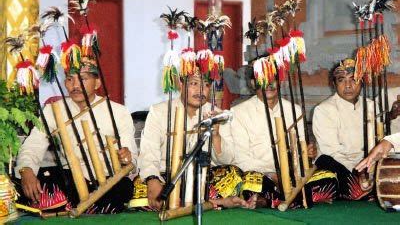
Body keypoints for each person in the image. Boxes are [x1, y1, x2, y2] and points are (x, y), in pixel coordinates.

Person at [15, 59, 137, 213]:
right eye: (70, 79)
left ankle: (71, 205)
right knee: (41, 180)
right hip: (69, 180)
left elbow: (131, 157)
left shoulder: (119, 111)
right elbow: (33, 146)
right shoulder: (53, 110)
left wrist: (126, 157)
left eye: (83, 79)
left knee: (123, 188)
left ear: (97, 83)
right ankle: (81, 205)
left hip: (108, 181)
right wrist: (26, 170)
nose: (75, 85)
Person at [221, 61, 335, 209]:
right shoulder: (238, 112)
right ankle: (299, 197)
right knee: (248, 183)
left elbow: (302, 152)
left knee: (329, 177)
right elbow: (241, 159)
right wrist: (274, 176)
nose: (269, 84)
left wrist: (308, 153)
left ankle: (271, 200)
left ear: (280, 80)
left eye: (273, 78)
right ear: (253, 82)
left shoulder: (295, 110)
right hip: (262, 174)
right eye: (263, 78)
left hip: (293, 175)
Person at [137, 70, 243, 210]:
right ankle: (210, 202)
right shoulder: (159, 112)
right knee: (139, 187)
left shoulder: (217, 114)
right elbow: (148, 154)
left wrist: (216, 136)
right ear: (180, 84)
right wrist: (152, 181)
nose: (200, 90)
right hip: (166, 177)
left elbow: (228, 160)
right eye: (194, 83)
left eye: (205, 85)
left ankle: (189, 202)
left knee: (233, 174)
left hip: (200, 178)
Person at [313, 58, 374, 200]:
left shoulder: (371, 106)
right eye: (341, 80)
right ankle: (356, 189)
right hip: (338, 164)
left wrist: (369, 171)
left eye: (354, 79)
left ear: (362, 82)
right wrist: (358, 173)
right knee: (327, 165)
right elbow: (332, 151)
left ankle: (360, 189)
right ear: (334, 84)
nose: (348, 85)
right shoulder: (323, 110)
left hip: (366, 166)